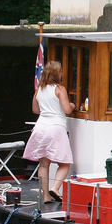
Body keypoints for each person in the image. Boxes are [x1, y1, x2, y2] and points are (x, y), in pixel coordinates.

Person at [26, 60, 74, 208]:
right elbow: (67, 109)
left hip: (40, 128)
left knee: (44, 164)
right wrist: (72, 105)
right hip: (55, 128)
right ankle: (55, 188)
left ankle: (46, 196)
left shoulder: (39, 89)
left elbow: (35, 110)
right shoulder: (59, 89)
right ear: (56, 73)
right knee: (65, 163)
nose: (62, 74)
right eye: (60, 71)